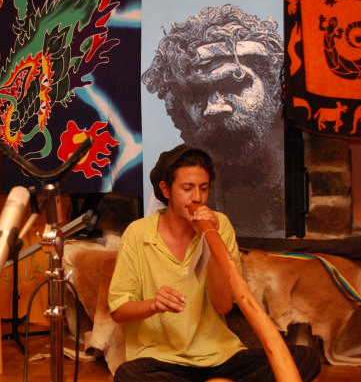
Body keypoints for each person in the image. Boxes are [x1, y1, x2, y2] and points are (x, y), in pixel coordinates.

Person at [108, 144, 321, 382]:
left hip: (221, 358)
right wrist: (154, 305)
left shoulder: (220, 226)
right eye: (187, 188)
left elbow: (223, 306)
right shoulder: (138, 233)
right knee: (128, 375)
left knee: (304, 358)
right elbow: (118, 311)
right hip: (161, 360)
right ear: (166, 190)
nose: (197, 197)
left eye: (204, 188)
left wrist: (207, 240)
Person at [141, 4, 285, 237]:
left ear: (270, 86)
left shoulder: (302, 163)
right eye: (196, 94)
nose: (214, 108)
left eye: (233, 84)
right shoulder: (176, 171)